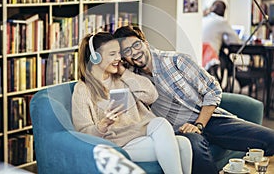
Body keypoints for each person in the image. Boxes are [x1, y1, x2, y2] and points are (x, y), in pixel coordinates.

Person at [114, 25, 274, 174]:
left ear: (145, 43)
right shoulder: (132, 79)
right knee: (195, 148)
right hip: (180, 131)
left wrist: (199, 124)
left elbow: (212, 90)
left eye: (136, 45)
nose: (134, 52)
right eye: (127, 50)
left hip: (210, 120)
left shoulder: (176, 61)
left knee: (270, 139)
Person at [71, 32, 192, 174]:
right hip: (120, 144)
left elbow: (151, 95)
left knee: (178, 137)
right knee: (181, 145)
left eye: (118, 53)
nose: (118, 58)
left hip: (144, 133)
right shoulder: (83, 89)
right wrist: (103, 125)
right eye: (112, 54)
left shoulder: (121, 77)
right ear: (95, 57)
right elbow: (83, 132)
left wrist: (123, 73)